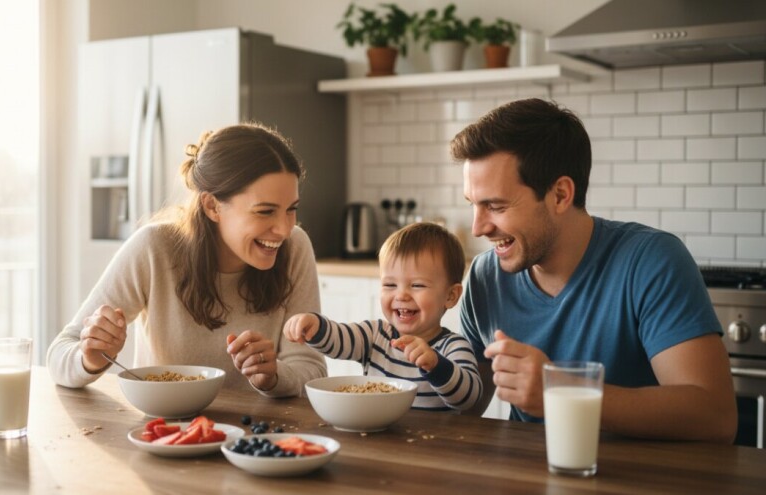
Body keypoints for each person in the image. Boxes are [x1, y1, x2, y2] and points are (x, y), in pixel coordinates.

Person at [450, 97, 737, 442]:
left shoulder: (651, 261)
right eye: (473, 205)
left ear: (559, 195)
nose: (478, 228)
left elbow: (715, 418)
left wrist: (560, 391)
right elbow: (466, 403)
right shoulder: (485, 277)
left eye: (494, 206)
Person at [47, 123, 326, 397]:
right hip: (165, 433)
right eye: (265, 212)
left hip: (259, 436)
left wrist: (274, 375)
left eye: (291, 209)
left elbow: (311, 368)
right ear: (212, 206)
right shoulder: (154, 248)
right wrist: (91, 357)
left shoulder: (294, 247)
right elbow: (60, 353)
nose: (284, 228)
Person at [284, 222, 483, 412]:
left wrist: (436, 365)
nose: (401, 295)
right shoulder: (374, 335)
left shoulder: (454, 347)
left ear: (450, 296)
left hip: (430, 445)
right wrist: (315, 326)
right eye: (390, 285)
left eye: (417, 285)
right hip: (377, 439)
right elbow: (338, 339)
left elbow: (468, 400)